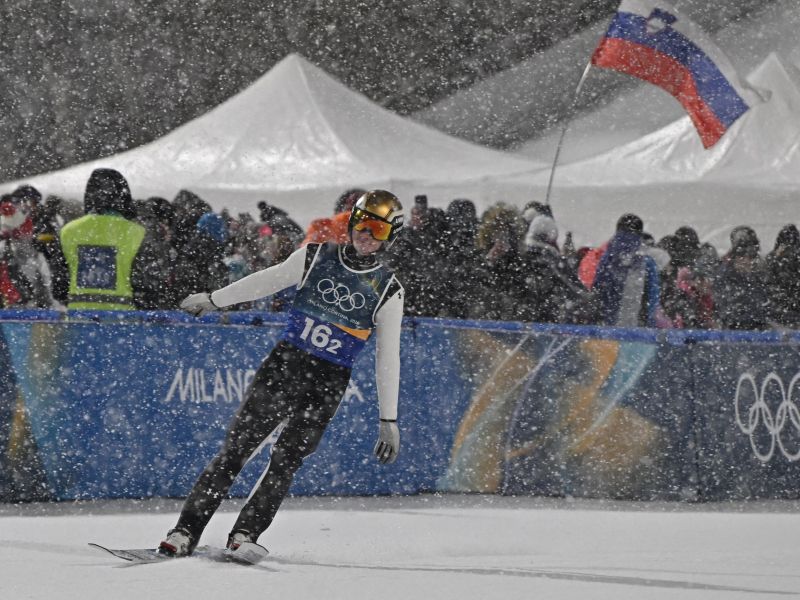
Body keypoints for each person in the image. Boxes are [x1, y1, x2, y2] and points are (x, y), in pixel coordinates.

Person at [158, 189, 406, 557]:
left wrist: (389, 419)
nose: (365, 235)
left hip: (328, 381)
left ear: (390, 238)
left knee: (286, 461)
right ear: (351, 221)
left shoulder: (388, 290)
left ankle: (245, 534)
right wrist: (213, 300)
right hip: (286, 366)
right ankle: (185, 531)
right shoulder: (315, 255)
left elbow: (389, 357)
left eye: (377, 230)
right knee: (236, 451)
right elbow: (265, 280)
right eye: (361, 224)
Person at [58, 168, 153, 310]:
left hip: (79, 320)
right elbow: (148, 286)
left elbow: (59, 285)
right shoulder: (137, 233)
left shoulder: (68, 231)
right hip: (123, 322)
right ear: (124, 196)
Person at [592, 213, 660, 328]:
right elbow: (653, 297)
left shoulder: (607, 257)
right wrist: (649, 322)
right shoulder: (646, 261)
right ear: (640, 232)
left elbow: (597, 288)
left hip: (607, 326)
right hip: (637, 329)